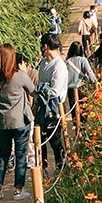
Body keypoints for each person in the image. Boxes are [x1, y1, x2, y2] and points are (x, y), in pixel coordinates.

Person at [0, 44, 35, 201]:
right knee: (21, 155)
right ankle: (18, 190)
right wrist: (24, 72)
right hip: (19, 120)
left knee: (3, 154)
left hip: (2, 122)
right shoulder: (19, 76)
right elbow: (33, 90)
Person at [38, 34, 68, 175]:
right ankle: (42, 170)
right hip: (42, 105)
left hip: (55, 106)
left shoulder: (58, 65)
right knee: (40, 138)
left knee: (55, 140)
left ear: (47, 46)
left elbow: (55, 91)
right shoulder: (44, 63)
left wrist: (40, 89)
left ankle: (61, 167)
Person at [66, 41, 97, 126]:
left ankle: (77, 129)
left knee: (74, 112)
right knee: (83, 110)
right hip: (81, 88)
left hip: (71, 90)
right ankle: (83, 129)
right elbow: (90, 75)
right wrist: (94, 82)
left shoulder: (66, 62)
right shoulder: (83, 60)